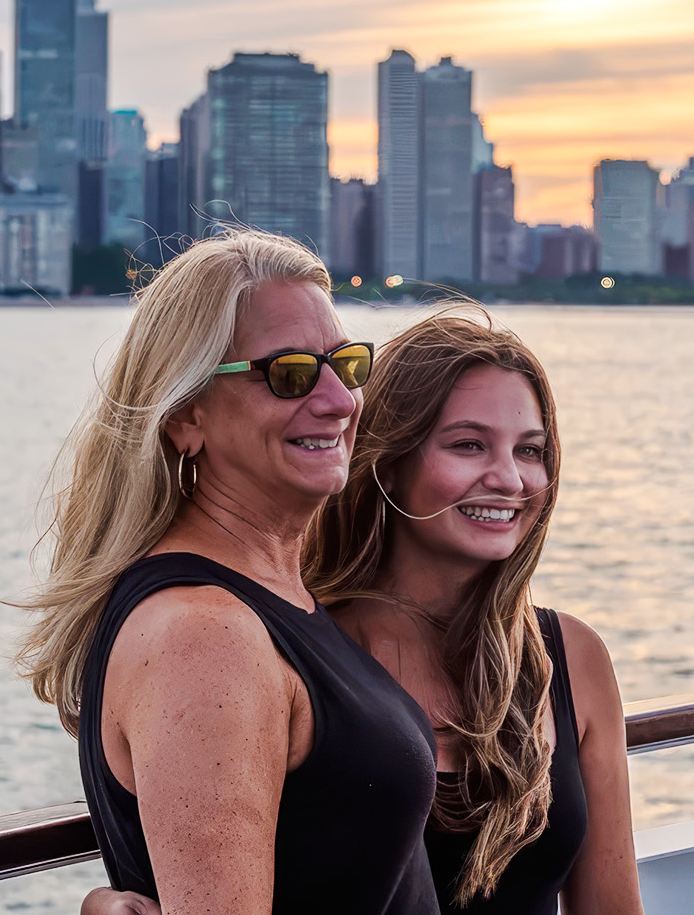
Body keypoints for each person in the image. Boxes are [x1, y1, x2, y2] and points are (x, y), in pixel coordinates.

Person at [85, 308, 645, 915]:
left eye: (531, 450)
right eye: (468, 445)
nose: (509, 478)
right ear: (387, 459)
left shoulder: (569, 658)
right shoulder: (300, 660)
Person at [17, 231, 440, 915]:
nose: (339, 400)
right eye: (291, 373)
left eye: (346, 364)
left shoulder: (276, 595)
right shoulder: (202, 636)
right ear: (186, 416)